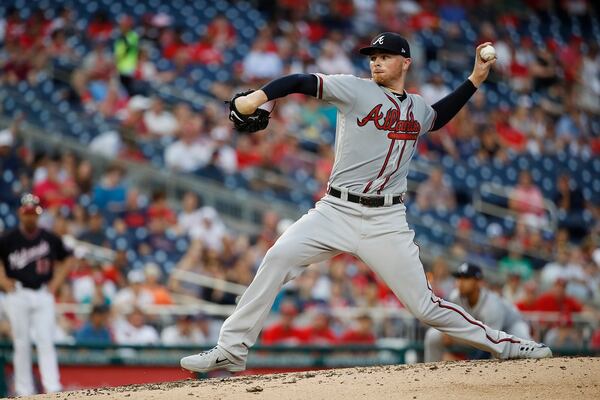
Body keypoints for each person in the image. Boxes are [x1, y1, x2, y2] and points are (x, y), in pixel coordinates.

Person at [180, 32, 551, 373]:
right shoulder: (354, 90)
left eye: (385, 56)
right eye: (373, 56)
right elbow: (300, 81)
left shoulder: (418, 107)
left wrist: (474, 81)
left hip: (386, 220)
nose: (376, 62)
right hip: (335, 211)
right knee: (278, 257)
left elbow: (437, 118)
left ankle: (509, 345)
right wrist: (257, 97)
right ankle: (231, 348)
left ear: (405, 62)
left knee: (424, 305)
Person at [0, 194, 75, 396]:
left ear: (39, 214)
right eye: (27, 213)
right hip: (18, 293)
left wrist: (56, 283)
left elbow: (68, 258)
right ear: (20, 213)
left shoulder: (49, 238)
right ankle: (24, 391)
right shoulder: (8, 237)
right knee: (21, 343)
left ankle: (52, 388)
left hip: (43, 293)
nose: (30, 217)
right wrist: (3, 280)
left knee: (45, 341)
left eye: (34, 213)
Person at [424, 263, 532, 362]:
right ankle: (432, 373)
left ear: (478, 282)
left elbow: (493, 343)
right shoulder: (455, 296)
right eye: (459, 278)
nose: (460, 282)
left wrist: (467, 365)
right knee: (433, 335)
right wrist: (446, 331)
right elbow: (448, 320)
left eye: (466, 278)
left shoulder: (492, 305)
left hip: (510, 327)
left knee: (526, 347)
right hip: (478, 334)